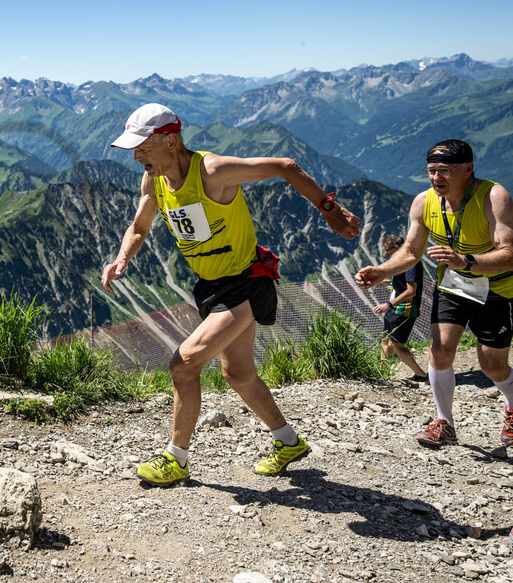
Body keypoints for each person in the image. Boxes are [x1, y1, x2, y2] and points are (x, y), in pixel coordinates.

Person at [102, 103, 361, 485]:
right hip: (212, 286)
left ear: (170, 141)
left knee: (183, 365)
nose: (137, 156)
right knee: (238, 373)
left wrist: (329, 209)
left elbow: (285, 166)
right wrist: (122, 258)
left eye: (143, 147)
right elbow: (139, 227)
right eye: (134, 149)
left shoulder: (212, 171)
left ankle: (176, 459)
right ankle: (288, 442)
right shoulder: (154, 180)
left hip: (245, 282)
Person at [355, 139, 513, 448]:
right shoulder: (423, 202)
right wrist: (382, 271)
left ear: (468, 169)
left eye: (444, 170)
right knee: (439, 351)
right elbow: (411, 251)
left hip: (495, 289)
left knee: (492, 366)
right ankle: (444, 423)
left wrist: (466, 261)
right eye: (431, 170)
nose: (436, 177)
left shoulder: (494, 197)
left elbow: (509, 254)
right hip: (453, 287)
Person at [373, 234, 428, 382]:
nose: (386, 253)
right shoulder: (401, 262)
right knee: (385, 338)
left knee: (395, 343)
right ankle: (381, 373)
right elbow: (400, 282)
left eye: (387, 250)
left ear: (396, 247)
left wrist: (388, 304)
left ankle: (421, 374)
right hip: (396, 307)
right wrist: (382, 282)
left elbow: (411, 290)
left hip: (405, 307)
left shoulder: (411, 262)